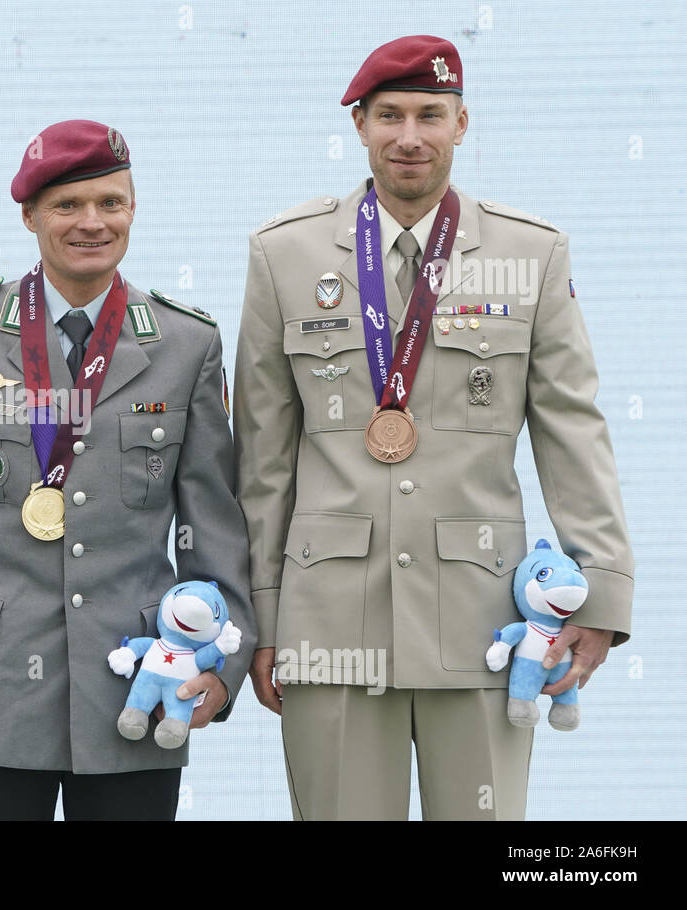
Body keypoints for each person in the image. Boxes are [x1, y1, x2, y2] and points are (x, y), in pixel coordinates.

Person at [233, 35, 634, 820]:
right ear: (359, 125)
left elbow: (571, 432)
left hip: (482, 621)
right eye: (389, 116)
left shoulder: (531, 252)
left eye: (429, 114)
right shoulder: (285, 252)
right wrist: (262, 612)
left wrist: (603, 595)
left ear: (461, 122)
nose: (409, 136)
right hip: (328, 623)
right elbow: (263, 456)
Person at [0, 120, 255, 820]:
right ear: (29, 215)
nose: (91, 222)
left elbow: (214, 526)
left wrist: (223, 659)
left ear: (134, 208)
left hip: (135, 684)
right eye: (67, 206)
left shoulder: (188, 343)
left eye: (111, 202)